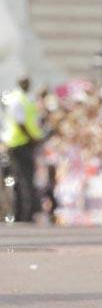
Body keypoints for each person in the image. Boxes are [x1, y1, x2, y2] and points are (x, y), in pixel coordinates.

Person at [2, 76, 43, 223]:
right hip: (21, 144)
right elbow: (21, 123)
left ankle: (22, 213)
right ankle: (25, 214)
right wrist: (33, 138)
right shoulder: (19, 99)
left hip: (20, 143)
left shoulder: (24, 98)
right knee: (24, 179)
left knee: (21, 179)